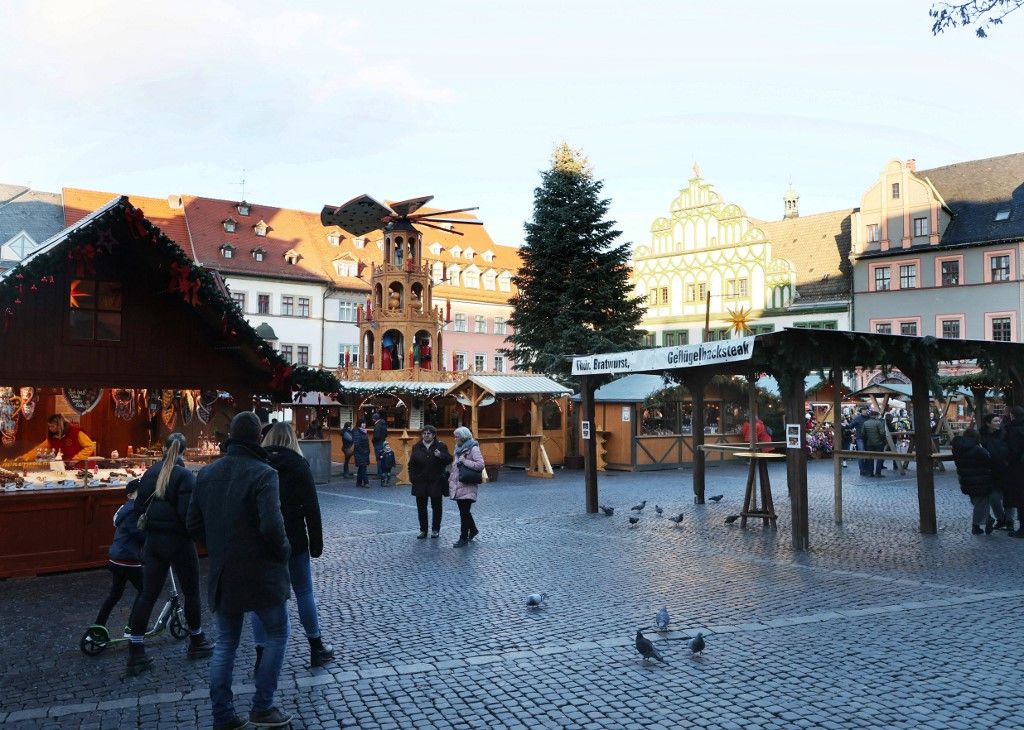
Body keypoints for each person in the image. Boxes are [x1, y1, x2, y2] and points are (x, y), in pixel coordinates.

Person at [187, 411, 292, 730]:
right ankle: (262, 706)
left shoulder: (205, 475)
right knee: (277, 634)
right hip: (261, 573)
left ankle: (223, 715)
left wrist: (218, 547)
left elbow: (193, 524)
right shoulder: (264, 473)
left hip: (224, 573)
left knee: (225, 643)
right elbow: (272, 525)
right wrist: (283, 551)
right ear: (258, 437)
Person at [126, 433, 213, 675]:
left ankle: (136, 650)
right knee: (191, 592)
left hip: (154, 541)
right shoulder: (185, 476)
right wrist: (202, 539)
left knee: (147, 594)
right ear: (184, 452)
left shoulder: (150, 473)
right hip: (179, 543)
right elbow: (189, 516)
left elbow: (138, 507)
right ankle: (196, 640)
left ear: (163, 449)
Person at [255, 423, 334, 668]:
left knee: (262, 598)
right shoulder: (299, 465)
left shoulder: (257, 465)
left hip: (263, 539)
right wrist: (316, 543)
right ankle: (315, 645)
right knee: (304, 592)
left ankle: (260, 653)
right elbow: (311, 507)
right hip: (294, 537)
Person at [91, 480, 144, 631]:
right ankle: (132, 626)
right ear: (130, 495)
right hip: (128, 559)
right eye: (140, 492)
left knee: (115, 594)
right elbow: (139, 534)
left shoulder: (126, 509)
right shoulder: (134, 510)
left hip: (117, 557)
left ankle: (99, 624)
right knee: (145, 591)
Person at [408, 425, 452, 538]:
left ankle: (435, 529)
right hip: (420, 481)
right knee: (421, 508)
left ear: (433, 435)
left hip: (436, 481)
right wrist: (412, 477)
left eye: (428, 433)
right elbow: (411, 464)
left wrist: (440, 455)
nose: (426, 435)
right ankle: (423, 530)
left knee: (437, 507)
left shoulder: (441, 446)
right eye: (424, 433)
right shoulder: (416, 446)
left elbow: (449, 459)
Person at [952, 427, 998, 535]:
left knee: (977, 502)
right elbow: (989, 459)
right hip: (981, 480)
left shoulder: (957, 448)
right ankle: (977, 525)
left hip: (966, 480)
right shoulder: (977, 449)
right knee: (981, 503)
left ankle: (987, 520)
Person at [448, 426, 485, 548]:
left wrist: (465, 462)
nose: (455, 439)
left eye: (457, 436)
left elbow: (480, 465)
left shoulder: (473, 448)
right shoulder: (458, 448)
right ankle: (473, 530)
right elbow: (455, 466)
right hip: (458, 483)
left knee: (464, 512)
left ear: (463, 437)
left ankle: (463, 537)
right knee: (464, 511)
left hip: (468, 483)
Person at [979, 413, 1011, 530]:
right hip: (989, 470)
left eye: (999, 421)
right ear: (988, 423)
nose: (998, 423)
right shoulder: (981, 435)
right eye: (995, 421)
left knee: (1008, 496)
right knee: (993, 497)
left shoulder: (1004, 434)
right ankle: (1001, 518)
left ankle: (1009, 520)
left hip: (1004, 469)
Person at [28, 413, 96, 465]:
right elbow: (38, 449)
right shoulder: (52, 437)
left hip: (84, 467)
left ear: (59, 425)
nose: (50, 428)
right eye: (49, 426)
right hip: (66, 468)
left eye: (52, 426)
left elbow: (90, 446)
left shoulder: (76, 432)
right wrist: (24, 458)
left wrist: (76, 459)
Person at [1002, 406, 1024, 538]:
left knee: (1021, 498)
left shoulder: (1012, 429)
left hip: (1018, 469)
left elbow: (1012, 451)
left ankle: (1022, 528)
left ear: (1012, 415)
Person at [862, 409, 887, 477]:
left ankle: (870, 473)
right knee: (879, 458)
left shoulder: (865, 423)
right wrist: (883, 440)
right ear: (876, 416)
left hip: (869, 443)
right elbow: (882, 433)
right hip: (879, 443)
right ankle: (878, 473)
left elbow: (863, 433)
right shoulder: (879, 423)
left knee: (870, 458)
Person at [849, 406, 870, 476]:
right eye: (863, 410)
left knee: (868, 454)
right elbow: (851, 426)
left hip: (868, 438)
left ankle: (866, 469)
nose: (865, 411)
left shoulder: (869, 418)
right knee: (861, 453)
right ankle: (862, 470)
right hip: (860, 438)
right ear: (861, 411)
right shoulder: (857, 418)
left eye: (866, 410)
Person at [353, 421, 371, 488]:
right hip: (360, 453)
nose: (364, 424)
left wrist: (368, 451)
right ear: (359, 424)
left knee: (361, 468)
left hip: (364, 452)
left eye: (364, 423)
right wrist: (364, 451)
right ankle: (366, 482)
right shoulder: (356, 432)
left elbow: (366, 443)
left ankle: (358, 483)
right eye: (362, 423)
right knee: (363, 467)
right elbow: (357, 444)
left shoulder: (364, 432)